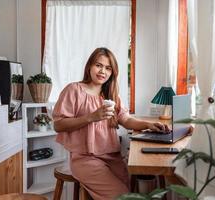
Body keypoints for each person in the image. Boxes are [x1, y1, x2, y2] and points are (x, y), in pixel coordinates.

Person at [52, 47, 169, 200]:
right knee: (122, 196)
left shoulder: (111, 95)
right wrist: (91, 117)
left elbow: (126, 120)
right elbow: (58, 125)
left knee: (128, 192)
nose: (103, 71)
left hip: (113, 157)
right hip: (85, 159)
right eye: (98, 65)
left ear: (112, 72)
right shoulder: (74, 90)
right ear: (89, 66)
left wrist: (148, 124)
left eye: (108, 68)